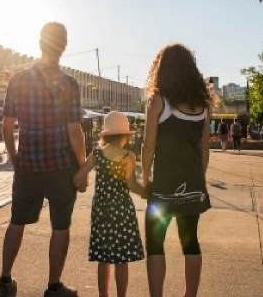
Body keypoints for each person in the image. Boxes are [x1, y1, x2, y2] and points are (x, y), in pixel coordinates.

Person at [0, 22, 86, 297]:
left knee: (17, 222)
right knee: (60, 227)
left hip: (28, 167)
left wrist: (15, 159)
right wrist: (82, 167)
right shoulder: (69, 84)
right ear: (64, 46)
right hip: (61, 169)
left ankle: (4, 281)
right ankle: (53, 286)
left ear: (40, 43)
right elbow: (74, 131)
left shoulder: (19, 79)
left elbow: (7, 125)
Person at [141, 44, 214, 297]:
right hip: (193, 185)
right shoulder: (203, 105)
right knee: (190, 242)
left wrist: (145, 177)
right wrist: (199, 179)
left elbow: (148, 146)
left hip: (163, 186)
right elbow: (204, 149)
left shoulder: (158, 101)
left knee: (155, 244)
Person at [73, 111, 147, 297]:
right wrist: (147, 192)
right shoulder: (128, 157)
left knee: (103, 258)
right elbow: (132, 186)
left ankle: (103, 295)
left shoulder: (97, 154)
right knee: (122, 260)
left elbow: (77, 179)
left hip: (101, 210)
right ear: (124, 136)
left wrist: (84, 183)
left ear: (106, 135)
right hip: (123, 211)